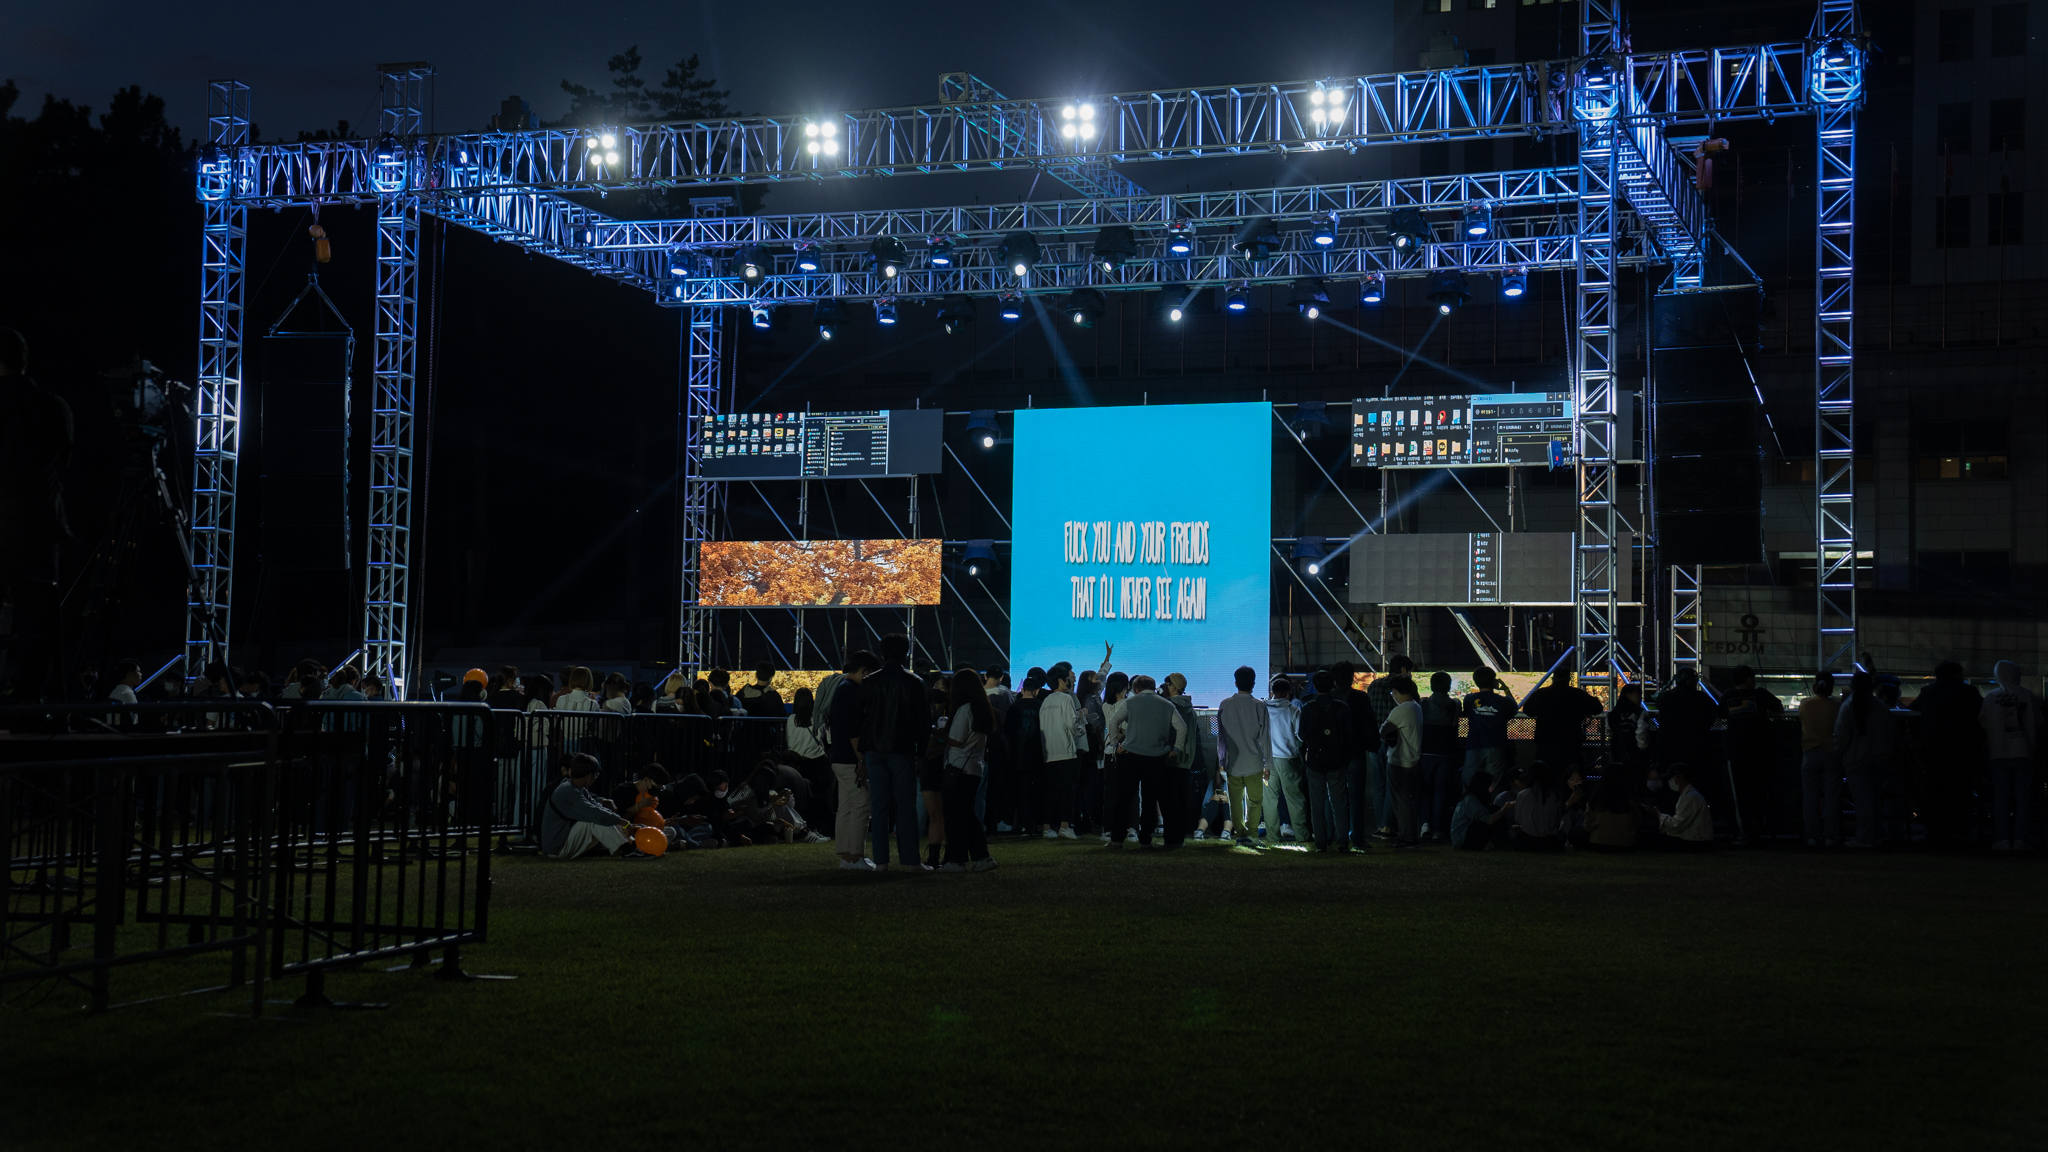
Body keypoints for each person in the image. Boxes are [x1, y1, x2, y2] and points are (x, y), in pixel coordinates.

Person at [0, 328, 74, 701]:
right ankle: (29, 704)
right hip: (39, 528)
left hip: (13, 523)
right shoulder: (51, 405)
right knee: (37, 623)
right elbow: (63, 461)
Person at [858, 634, 929, 871]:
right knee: (905, 807)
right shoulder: (914, 682)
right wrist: (921, 751)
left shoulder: (870, 681)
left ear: (882, 653)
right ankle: (910, 861)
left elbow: (861, 717)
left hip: (874, 749)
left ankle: (881, 862)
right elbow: (923, 721)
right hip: (902, 749)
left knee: (878, 807)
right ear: (906, 654)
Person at [1106, 674, 1187, 850]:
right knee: (1150, 800)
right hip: (1156, 757)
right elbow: (1182, 728)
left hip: (1131, 755)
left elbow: (1113, 723)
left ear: (1136, 689)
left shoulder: (1130, 702)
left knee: (1124, 798)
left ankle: (1117, 839)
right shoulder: (1167, 704)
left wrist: (1115, 744)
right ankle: (1145, 841)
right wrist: (1177, 748)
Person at [1911, 661, 1985, 850]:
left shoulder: (1929, 692)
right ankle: (1958, 833)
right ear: (1958, 674)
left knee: (1936, 795)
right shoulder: (1969, 692)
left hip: (1934, 751)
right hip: (1963, 751)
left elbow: (1913, 709)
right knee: (1961, 794)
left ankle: (1937, 834)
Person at [822, 652, 879, 870]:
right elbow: (853, 729)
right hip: (850, 758)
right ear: (865, 672)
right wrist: (861, 759)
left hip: (839, 757)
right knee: (862, 803)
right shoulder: (851, 691)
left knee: (846, 806)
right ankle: (856, 856)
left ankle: (846, 856)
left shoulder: (841, 687)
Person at [938, 669, 997, 872]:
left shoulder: (964, 709)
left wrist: (941, 734)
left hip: (958, 767)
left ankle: (957, 860)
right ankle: (981, 857)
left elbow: (956, 740)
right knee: (968, 814)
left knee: (955, 816)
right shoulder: (981, 708)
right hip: (974, 768)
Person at [1720, 665, 1785, 844]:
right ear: (1749, 679)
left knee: (1739, 794)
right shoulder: (1760, 694)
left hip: (1736, 752)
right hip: (1760, 751)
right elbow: (1779, 707)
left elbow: (1721, 714)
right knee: (1760, 791)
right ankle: (1759, 828)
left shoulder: (1727, 696)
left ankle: (1743, 831)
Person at [1980, 660, 2040, 851]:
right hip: (2024, 751)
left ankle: (2003, 839)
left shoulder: (1992, 696)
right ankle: (2021, 839)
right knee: (2024, 798)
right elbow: (2038, 721)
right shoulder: (2027, 695)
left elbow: (1983, 721)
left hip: (1998, 752)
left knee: (2001, 798)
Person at [1832, 670, 1895, 849]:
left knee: (1862, 801)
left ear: (1853, 687)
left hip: (1856, 759)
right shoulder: (1881, 706)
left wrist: (1838, 752)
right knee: (1876, 799)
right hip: (1881, 758)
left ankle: (1865, 837)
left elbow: (1841, 736)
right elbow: (1891, 733)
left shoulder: (1848, 706)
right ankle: (1876, 835)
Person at [541, 754, 642, 858]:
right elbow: (596, 814)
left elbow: (598, 808)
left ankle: (629, 845)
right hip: (556, 849)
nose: (595, 778)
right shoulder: (568, 792)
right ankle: (626, 849)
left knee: (597, 817)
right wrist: (623, 822)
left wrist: (621, 824)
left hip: (559, 843)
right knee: (592, 820)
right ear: (589, 776)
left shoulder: (574, 787)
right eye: (596, 775)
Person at [1297, 669, 1354, 852]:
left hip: (1315, 761)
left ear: (1314, 686)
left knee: (1317, 804)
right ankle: (1343, 841)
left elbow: (1302, 735)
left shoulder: (1308, 707)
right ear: (1333, 685)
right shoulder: (1342, 707)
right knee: (1339, 803)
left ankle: (1321, 843)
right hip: (1337, 761)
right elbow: (1349, 735)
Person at [1521, 664, 1602, 782]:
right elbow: (1597, 708)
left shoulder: (1540, 694)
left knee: (1544, 778)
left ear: (1553, 678)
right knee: (1570, 778)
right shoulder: (1577, 694)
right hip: (1570, 744)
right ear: (1568, 679)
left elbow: (1528, 710)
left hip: (1545, 744)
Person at [1218, 665, 1271, 845]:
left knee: (1235, 801)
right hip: (1254, 761)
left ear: (1235, 683)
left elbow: (1221, 737)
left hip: (1232, 761)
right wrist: (1268, 764)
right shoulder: (1259, 705)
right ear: (1253, 683)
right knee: (1254, 800)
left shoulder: (1225, 704)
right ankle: (1253, 833)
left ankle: (1240, 834)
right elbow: (1265, 737)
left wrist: (1221, 759)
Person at [1358, 657, 1408, 843]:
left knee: (1378, 785)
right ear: (1404, 669)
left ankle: (1380, 825)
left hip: (1375, 740)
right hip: (1395, 741)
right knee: (1392, 784)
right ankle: (1388, 825)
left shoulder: (1374, 685)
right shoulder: (1403, 686)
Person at [1037, 665, 1082, 840]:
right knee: (1067, 792)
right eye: (1067, 679)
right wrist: (1082, 730)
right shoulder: (1066, 698)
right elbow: (1072, 724)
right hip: (1065, 749)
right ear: (1061, 680)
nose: (1069, 681)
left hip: (1049, 751)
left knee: (1051, 791)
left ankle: (1046, 827)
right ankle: (1064, 826)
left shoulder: (1046, 701)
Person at [1798, 672, 1842, 848]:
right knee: (1833, 798)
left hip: (1810, 752)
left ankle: (1811, 836)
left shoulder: (1805, 704)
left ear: (1815, 686)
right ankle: (1831, 836)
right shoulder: (1838, 706)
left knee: (1810, 798)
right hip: (1832, 753)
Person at [1382, 676, 1425, 847]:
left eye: (1392, 692)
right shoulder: (1416, 707)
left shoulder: (1400, 710)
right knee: (1407, 799)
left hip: (1399, 761)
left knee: (1400, 801)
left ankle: (1407, 837)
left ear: (1396, 691)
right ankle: (1410, 834)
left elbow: (1383, 731)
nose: (1392, 696)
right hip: (1413, 760)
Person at [1264, 675, 1308, 843]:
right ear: (1288, 693)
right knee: (1295, 799)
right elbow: (1301, 736)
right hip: (1288, 759)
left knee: (1270, 800)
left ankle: (1272, 837)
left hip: (1267, 760)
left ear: (1272, 692)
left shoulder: (1263, 709)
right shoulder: (1293, 710)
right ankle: (1302, 836)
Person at [1418, 671, 1461, 840]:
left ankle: (1424, 825)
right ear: (1448, 686)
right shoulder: (1455, 704)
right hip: (1447, 753)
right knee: (1441, 792)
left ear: (1431, 685)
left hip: (1426, 752)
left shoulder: (1423, 703)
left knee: (1425, 790)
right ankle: (1438, 829)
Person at [1462, 667, 1513, 787]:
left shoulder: (1469, 699)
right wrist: (1505, 689)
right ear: (1494, 682)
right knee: (1493, 785)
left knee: (1469, 783)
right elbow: (1513, 708)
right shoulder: (1503, 701)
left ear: (1476, 682)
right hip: (1496, 746)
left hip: (1474, 746)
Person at [1503, 765, 1565, 851]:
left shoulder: (1522, 795)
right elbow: (1557, 819)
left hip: (1527, 842)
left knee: (1508, 833)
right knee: (1562, 834)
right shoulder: (1554, 795)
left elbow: (1518, 819)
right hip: (1550, 842)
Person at [1656, 763, 1714, 849]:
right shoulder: (1688, 795)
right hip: (1696, 841)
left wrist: (1658, 814)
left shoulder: (1690, 796)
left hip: (1696, 843)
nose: (1669, 781)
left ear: (1680, 777)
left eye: (1671, 778)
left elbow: (1676, 825)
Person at [1582, 772, 1644, 851]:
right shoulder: (1630, 799)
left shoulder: (1595, 799)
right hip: (1626, 844)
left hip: (1598, 843)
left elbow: (1588, 826)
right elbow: (1637, 822)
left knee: (1575, 833)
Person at [1607, 682, 1650, 774]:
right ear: (1628, 695)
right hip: (1636, 754)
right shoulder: (1640, 713)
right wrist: (1642, 750)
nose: (1640, 697)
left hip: (1617, 751)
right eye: (1638, 694)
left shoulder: (1613, 714)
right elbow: (1641, 733)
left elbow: (1609, 731)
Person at [1451, 772, 1500, 850]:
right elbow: (1489, 820)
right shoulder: (1471, 800)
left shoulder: (1473, 798)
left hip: (1461, 839)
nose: (1493, 788)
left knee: (1494, 809)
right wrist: (1505, 809)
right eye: (1491, 785)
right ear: (1483, 785)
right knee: (1494, 812)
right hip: (1462, 840)